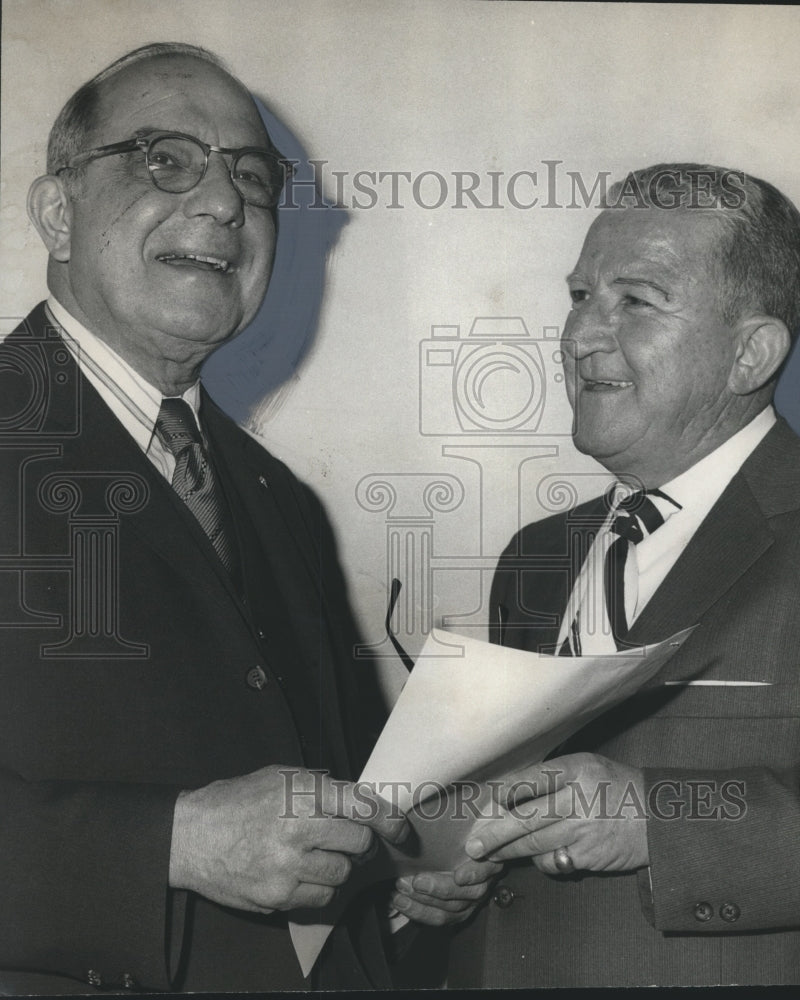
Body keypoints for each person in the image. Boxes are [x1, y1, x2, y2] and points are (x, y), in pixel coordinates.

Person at [0, 42, 493, 993]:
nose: (225, 203)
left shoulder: (274, 498)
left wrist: (396, 869)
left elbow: (311, 810)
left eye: (252, 177)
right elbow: (202, 835)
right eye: (167, 160)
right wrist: (171, 845)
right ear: (58, 213)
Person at [446, 164, 800, 987]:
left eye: (634, 300)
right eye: (578, 296)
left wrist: (657, 820)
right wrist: (443, 877)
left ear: (750, 353)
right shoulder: (535, 557)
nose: (579, 336)